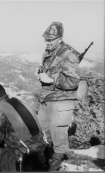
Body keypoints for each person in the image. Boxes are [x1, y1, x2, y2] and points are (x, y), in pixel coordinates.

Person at [35, 22, 81, 171]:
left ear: (59, 39)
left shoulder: (69, 54)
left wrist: (51, 79)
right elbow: (50, 71)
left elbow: (73, 82)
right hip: (46, 98)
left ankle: (57, 162)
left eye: (51, 39)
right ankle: (48, 157)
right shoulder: (49, 51)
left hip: (61, 101)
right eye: (46, 39)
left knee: (58, 136)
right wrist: (40, 73)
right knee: (43, 131)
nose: (47, 42)